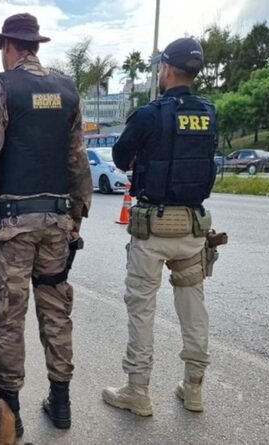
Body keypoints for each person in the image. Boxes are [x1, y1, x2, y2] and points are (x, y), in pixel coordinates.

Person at [0, 13, 92, 438]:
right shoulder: (67, 90)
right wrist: (77, 216)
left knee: (9, 316)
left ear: (8, 46)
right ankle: (61, 403)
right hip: (57, 223)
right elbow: (78, 160)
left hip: (14, 226)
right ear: (35, 45)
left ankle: (12, 413)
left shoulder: (2, 89)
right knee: (56, 312)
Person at [102, 37, 218, 417]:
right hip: (192, 228)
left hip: (153, 229)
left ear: (166, 69)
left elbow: (120, 158)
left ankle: (138, 391)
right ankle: (194, 389)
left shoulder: (149, 114)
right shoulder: (208, 112)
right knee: (193, 309)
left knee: (142, 309)